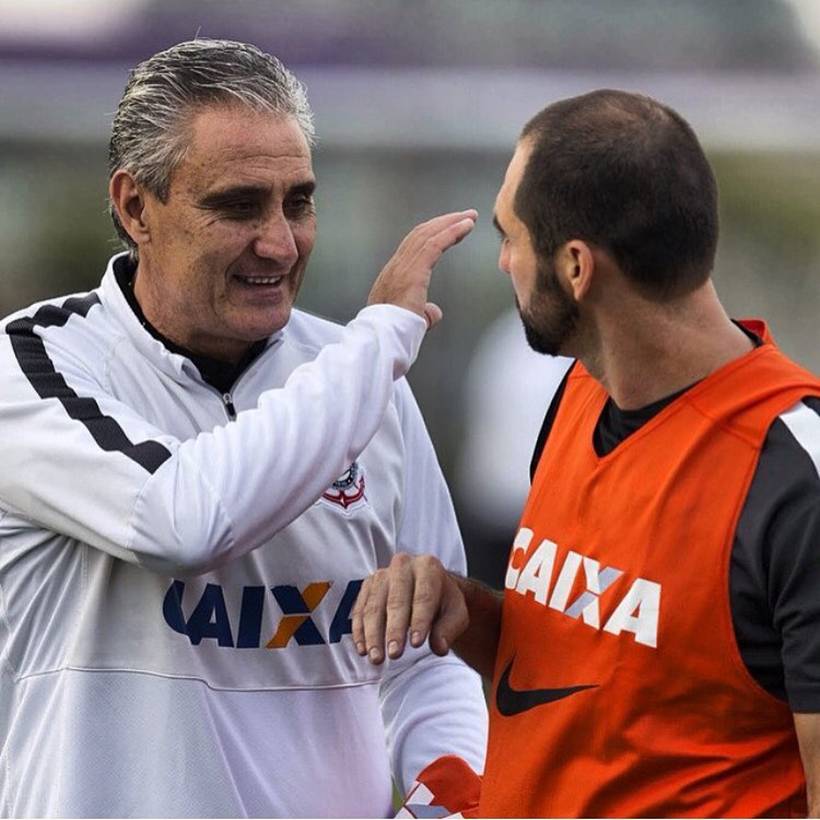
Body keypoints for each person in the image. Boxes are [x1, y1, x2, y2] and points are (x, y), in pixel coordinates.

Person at [0, 39, 488, 818]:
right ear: (135, 207)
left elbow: (432, 653)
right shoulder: (31, 367)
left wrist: (449, 795)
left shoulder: (362, 378)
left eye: (298, 201)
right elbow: (181, 522)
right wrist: (383, 339)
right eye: (237, 206)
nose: (280, 242)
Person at [352, 89, 820, 818]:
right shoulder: (575, 395)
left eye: (510, 234)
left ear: (576, 267)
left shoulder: (793, 476)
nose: (504, 260)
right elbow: (597, 661)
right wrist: (459, 607)